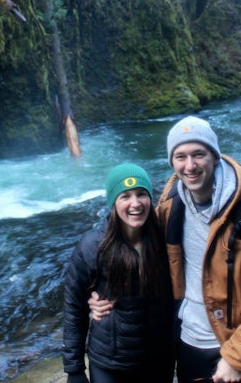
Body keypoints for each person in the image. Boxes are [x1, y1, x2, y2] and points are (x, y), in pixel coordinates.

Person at [90, 116, 241, 383]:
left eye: (199, 154)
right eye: (180, 157)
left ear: (215, 156)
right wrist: (100, 297)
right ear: (172, 163)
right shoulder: (169, 207)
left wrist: (237, 358)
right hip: (190, 346)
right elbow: (130, 244)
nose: (190, 166)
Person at [62, 163, 175, 383]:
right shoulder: (92, 246)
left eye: (141, 194)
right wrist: (74, 369)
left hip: (158, 358)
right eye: (125, 196)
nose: (136, 203)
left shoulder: (165, 238)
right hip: (111, 362)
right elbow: (73, 307)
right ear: (113, 202)